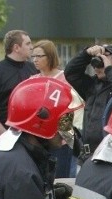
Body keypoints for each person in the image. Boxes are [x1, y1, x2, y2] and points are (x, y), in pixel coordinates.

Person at [64, 44, 112, 164]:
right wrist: (86, 55)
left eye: (101, 64)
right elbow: (71, 73)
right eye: (95, 64)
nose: (97, 68)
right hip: (88, 156)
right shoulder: (92, 85)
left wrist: (109, 70)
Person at [32, 39, 84, 178]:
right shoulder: (32, 80)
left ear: (50, 56)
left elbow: (75, 107)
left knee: (62, 181)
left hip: (62, 139)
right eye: (33, 56)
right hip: (39, 140)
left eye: (39, 56)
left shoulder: (65, 78)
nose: (35, 60)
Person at [0, 29, 37, 136]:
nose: (32, 47)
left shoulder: (34, 69)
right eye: (28, 44)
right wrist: (5, 135)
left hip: (36, 134)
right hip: (10, 135)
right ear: (16, 48)